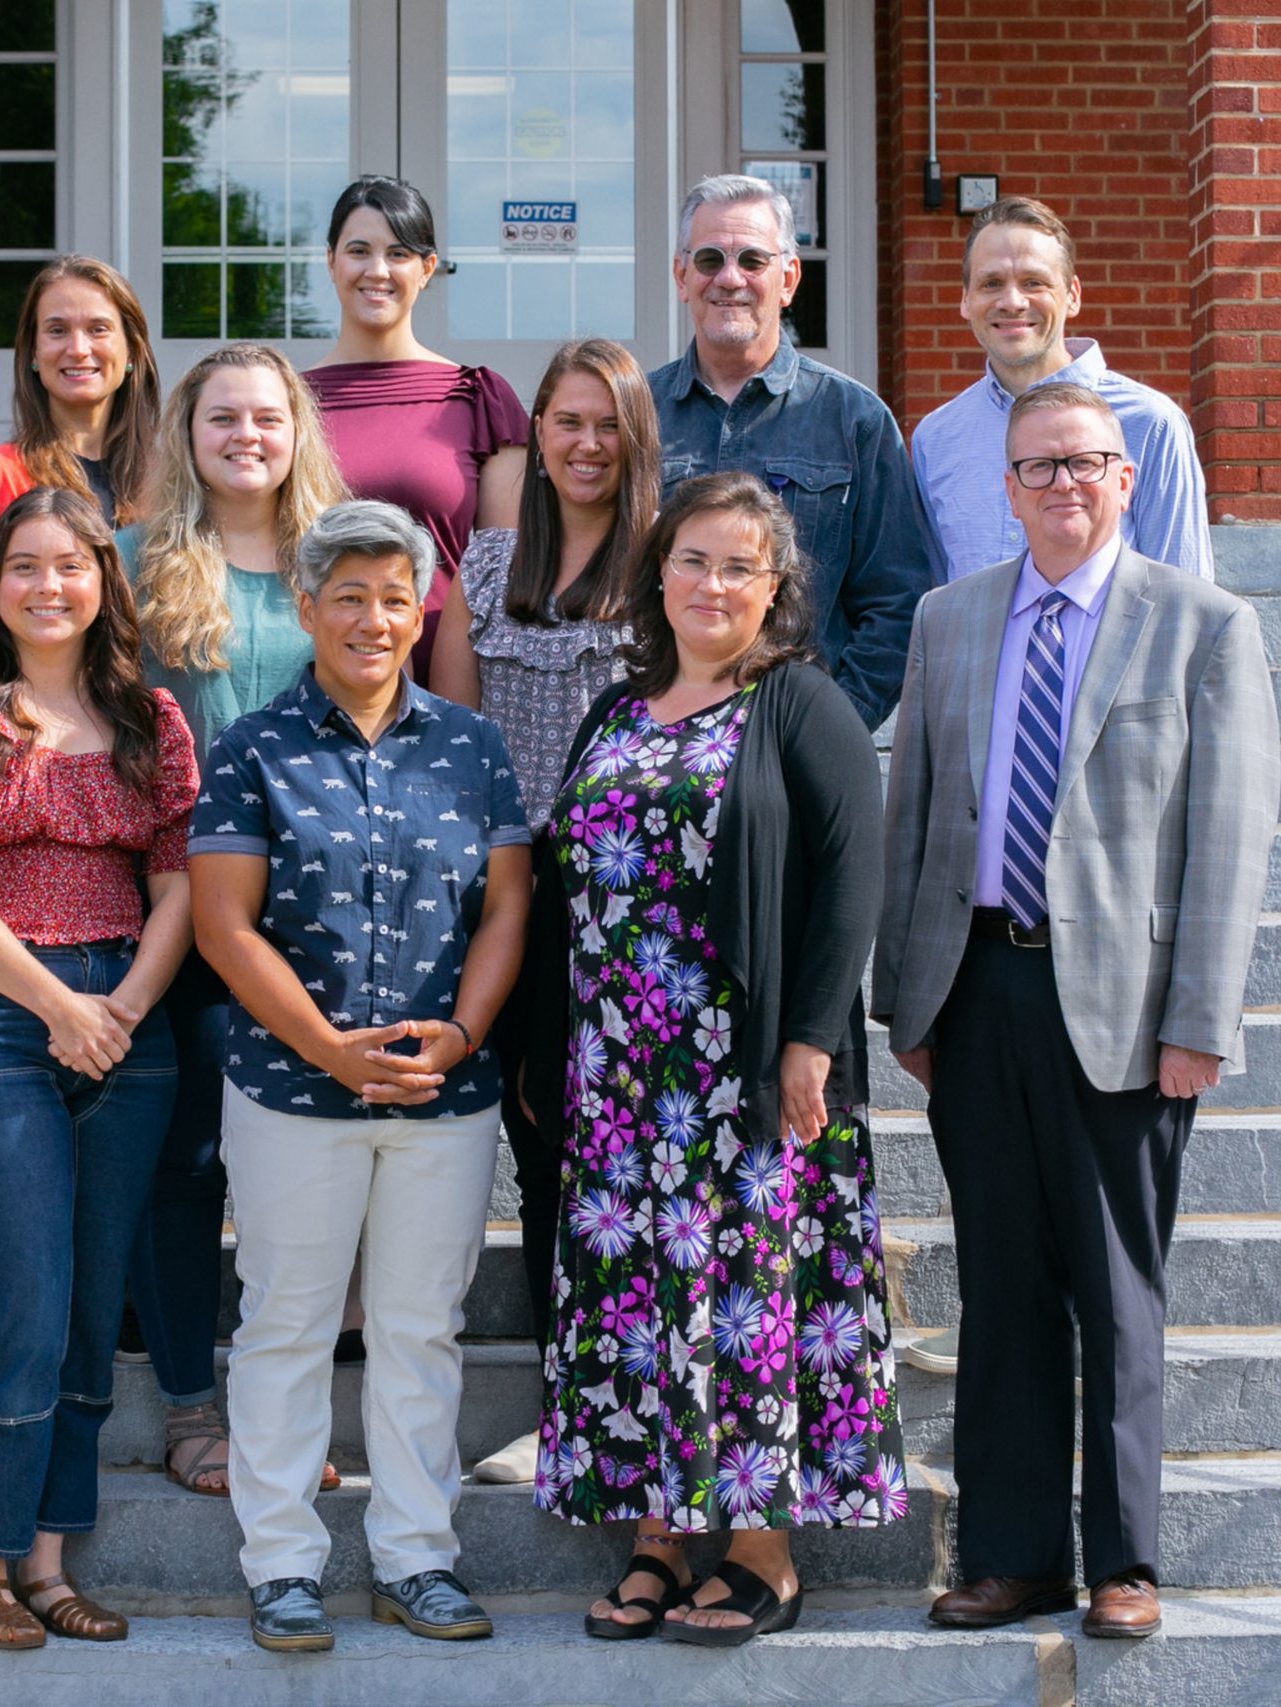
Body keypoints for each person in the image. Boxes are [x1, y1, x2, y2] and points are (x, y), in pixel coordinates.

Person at [872, 384, 1280, 1641]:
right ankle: (1011, 1553)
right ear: (1005, 488)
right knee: (998, 1282)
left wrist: (1199, 1017)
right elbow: (917, 814)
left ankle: (1124, 1561)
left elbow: (1228, 839)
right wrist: (908, 1000)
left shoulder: (1203, 626)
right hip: (979, 986)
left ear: (1126, 477)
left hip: (1125, 1001)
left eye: (1083, 463)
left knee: (1115, 1288)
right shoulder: (949, 619)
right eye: (1035, 468)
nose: (1060, 485)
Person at [535, 471, 908, 1647]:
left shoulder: (798, 703)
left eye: (739, 565)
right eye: (692, 558)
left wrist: (806, 1041)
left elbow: (852, 879)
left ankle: (757, 1550)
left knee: (746, 1304)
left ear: (775, 588)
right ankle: (655, 1538)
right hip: (618, 1072)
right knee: (632, 1304)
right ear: (657, 574)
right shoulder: (613, 710)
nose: (711, 583)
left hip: (742, 1072)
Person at [190, 500, 532, 1654]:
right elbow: (227, 929)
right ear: (306, 606)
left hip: (442, 1094)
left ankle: (415, 1559)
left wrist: (465, 1030)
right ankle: (283, 1563)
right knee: (285, 1323)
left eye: (396, 597)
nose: (375, 618)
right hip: (292, 1092)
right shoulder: (251, 748)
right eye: (350, 594)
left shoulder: (470, 745)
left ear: (421, 606)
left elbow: (507, 905)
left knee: (418, 1328)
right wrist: (327, 1048)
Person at [0, 485, 198, 1650]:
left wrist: (119, 1005)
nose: (49, 585)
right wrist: (59, 1005)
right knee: (20, 1302)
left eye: (72, 564)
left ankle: (53, 1561)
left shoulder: (149, 716)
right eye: (25, 565)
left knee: (85, 1310)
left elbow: (179, 889)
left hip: (127, 1017)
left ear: (104, 582)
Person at [114, 343, 350, 1502]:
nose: (247, 435)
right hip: (182, 914)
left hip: (322, 918)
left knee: (298, 1172)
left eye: (267, 416)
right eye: (223, 418)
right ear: (187, 434)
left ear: (297, 428)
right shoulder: (138, 564)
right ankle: (190, 1404)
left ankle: (285, 1399)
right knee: (189, 1160)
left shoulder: (342, 561)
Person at [428, 336, 659, 1487]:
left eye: (605, 423)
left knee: (634, 1167)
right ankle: (567, 1400)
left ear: (634, 439)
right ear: (535, 438)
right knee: (543, 1151)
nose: (583, 444)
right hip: (517, 903)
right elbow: (457, 750)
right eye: (565, 422)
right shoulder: (483, 569)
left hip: (645, 916)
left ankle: (647, 1399)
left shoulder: (673, 570)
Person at [648, 175, 935, 731]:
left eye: (753, 259)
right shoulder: (638, 415)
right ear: (682, 277)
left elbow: (898, 602)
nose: (729, 278)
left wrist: (831, 730)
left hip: (799, 745)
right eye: (709, 259)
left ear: (788, 278)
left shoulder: (855, 420)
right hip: (661, 741)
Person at [910, 196, 1213, 584]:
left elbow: (1185, 601)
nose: (1013, 301)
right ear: (966, 300)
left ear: (1072, 295)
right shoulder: (936, 440)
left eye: (1033, 282)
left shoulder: (1152, 424)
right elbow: (939, 608)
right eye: (991, 283)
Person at [303, 176, 528, 686]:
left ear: (426, 269)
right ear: (331, 261)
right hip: (316, 670)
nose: (377, 270)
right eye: (359, 250)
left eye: (399, 253)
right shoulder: (287, 405)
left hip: (448, 675)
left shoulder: (477, 398)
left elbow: (507, 577)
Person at [0, 257, 162, 647]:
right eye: (57, 330)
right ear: (33, 352)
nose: (78, 349)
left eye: (98, 329)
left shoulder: (168, 482)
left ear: (131, 352)